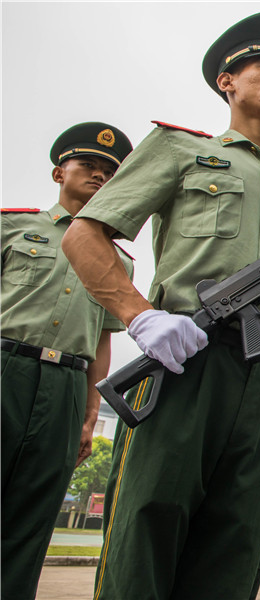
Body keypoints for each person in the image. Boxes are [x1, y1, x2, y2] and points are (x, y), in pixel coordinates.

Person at [61, 12, 260, 598]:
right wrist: (140, 316)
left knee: (237, 541)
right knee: (147, 532)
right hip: (185, 364)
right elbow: (85, 233)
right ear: (228, 80)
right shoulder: (180, 150)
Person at [1, 122, 133, 600]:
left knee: (32, 515)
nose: (98, 175)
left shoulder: (121, 263)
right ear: (61, 172)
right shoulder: (13, 226)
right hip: (6, 368)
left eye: (108, 172)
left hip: (66, 386)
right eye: (88, 166)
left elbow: (102, 338)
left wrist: (90, 411)